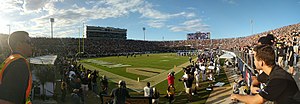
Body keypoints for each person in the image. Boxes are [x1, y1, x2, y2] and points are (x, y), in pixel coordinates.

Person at [231, 45, 299, 104]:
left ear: (261, 63)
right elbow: (256, 80)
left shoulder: (279, 78)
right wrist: (252, 86)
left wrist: (235, 96)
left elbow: (255, 101)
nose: (253, 61)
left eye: (254, 59)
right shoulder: (271, 71)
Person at [0, 31, 33, 104]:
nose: (31, 44)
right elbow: (6, 101)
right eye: (28, 41)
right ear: (19, 45)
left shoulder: (10, 60)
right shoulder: (19, 65)